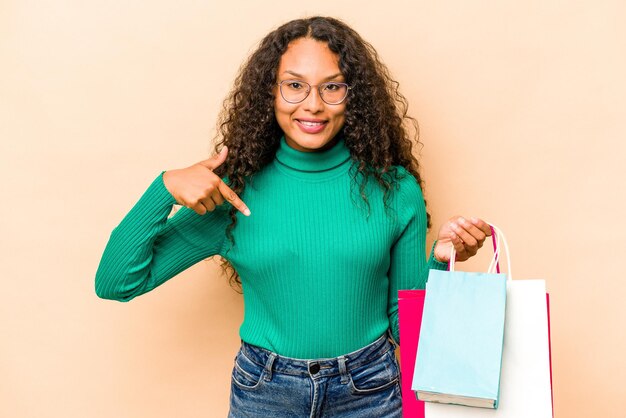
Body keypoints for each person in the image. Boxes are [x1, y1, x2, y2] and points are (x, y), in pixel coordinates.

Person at [95, 16, 491, 417]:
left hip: (369, 389)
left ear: (353, 96)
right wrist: (163, 189)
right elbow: (116, 282)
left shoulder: (394, 189)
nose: (313, 104)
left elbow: (407, 330)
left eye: (332, 86)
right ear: (271, 91)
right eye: (295, 85)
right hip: (267, 392)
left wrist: (441, 262)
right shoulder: (234, 192)